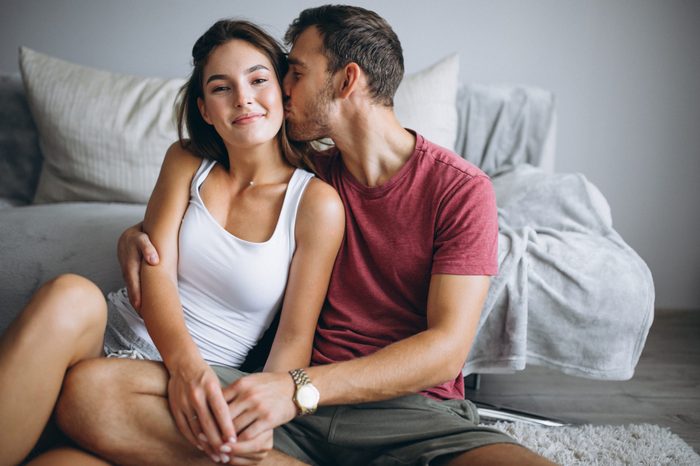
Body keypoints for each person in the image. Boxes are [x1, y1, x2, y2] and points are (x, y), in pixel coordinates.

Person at [56, 5, 556, 466]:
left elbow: (445, 350)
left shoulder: (460, 190)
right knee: (91, 395)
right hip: (288, 413)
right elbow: (217, 208)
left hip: (406, 415)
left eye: (294, 72)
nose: (282, 88)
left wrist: (298, 388)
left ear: (346, 80)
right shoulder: (306, 172)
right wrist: (136, 235)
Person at [0, 19, 344, 466]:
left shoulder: (316, 203)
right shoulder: (187, 160)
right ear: (204, 109)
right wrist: (185, 366)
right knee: (70, 293)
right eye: (222, 88)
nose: (243, 98)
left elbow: (294, 336)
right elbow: (154, 268)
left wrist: (261, 415)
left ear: (282, 91)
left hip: (178, 391)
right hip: (121, 343)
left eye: (258, 80)